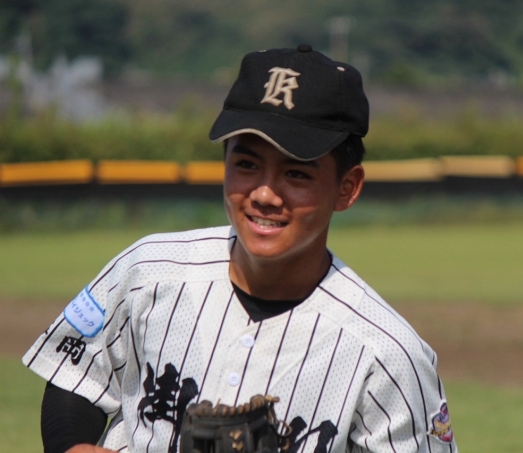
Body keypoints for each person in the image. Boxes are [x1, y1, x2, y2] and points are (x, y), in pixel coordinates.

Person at [23, 44, 457, 453]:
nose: (265, 194)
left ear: (347, 187)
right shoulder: (147, 271)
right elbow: (76, 380)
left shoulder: (386, 354)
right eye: (247, 164)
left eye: (297, 173)